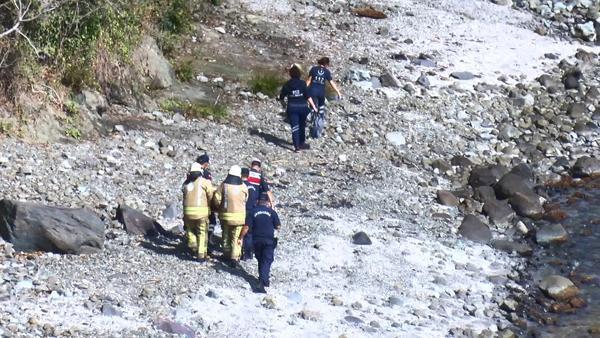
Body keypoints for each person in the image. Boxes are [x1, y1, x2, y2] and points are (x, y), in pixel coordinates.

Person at [239, 192, 281, 293]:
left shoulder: (253, 212)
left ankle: (264, 280)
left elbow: (246, 227)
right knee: (267, 260)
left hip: (256, 240)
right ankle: (262, 282)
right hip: (269, 240)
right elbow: (278, 226)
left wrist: (240, 237)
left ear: (257, 202)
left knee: (260, 259)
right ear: (267, 202)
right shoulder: (272, 212)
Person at [213, 165, 248, 267]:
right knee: (236, 237)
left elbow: (217, 199)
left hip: (225, 216)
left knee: (226, 236)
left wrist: (220, 207)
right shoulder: (243, 187)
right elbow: (246, 199)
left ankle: (226, 254)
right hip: (239, 218)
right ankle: (235, 258)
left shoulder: (224, 185)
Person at [279, 64, 318, 152]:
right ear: (299, 74)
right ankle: (302, 142)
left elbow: (281, 97)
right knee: (302, 125)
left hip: (292, 107)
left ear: (290, 74)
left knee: (295, 127)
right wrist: (314, 107)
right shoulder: (303, 83)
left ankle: (297, 147)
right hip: (303, 107)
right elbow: (308, 96)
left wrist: (285, 106)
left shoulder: (287, 84)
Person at [182, 162, 215, 262]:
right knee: (202, 232)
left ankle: (193, 245)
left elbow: (184, 195)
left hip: (188, 212)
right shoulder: (204, 182)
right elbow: (210, 195)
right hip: (201, 213)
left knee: (190, 230)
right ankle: (201, 255)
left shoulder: (186, 183)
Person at [196, 152, 218, 249]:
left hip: (191, 203)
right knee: (212, 220)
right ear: (205, 164)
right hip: (203, 202)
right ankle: (208, 238)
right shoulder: (206, 174)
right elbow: (209, 190)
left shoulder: (190, 173)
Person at [241, 167, 259, 260]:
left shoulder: (240, 185)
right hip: (252, 211)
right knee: (249, 233)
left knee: (240, 231)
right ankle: (248, 254)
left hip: (243, 210)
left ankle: (240, 253)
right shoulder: (253, 186)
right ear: (248, 176)